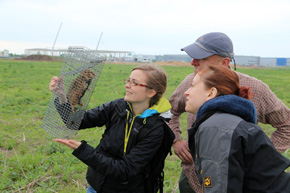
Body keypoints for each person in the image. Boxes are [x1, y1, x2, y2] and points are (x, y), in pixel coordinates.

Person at [169, 32, 290, 193]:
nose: (192, 62)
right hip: (193, 178)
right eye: (193, 56)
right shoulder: (191, 83)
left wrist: (256, 158)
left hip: (237, 181)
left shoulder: (256, 88)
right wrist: (176, 140)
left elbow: (287, 125)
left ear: (224, 62)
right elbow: (168, 112)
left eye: (201, 57)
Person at [49, 64, 172, 193]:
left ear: (151, 92)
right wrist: (62, 96)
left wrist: (83, 150)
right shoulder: (117, 107)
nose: (127, 85)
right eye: (128, 80)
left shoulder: (156, 130)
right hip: (95, 186)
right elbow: (75, 122)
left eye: (134, 83)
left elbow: (125, 170)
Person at [184, 64, 290, 192]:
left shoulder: (216, 128)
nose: (186, 92)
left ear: (211, 93)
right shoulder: (224, 121)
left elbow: (220, 189)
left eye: (192, 85)